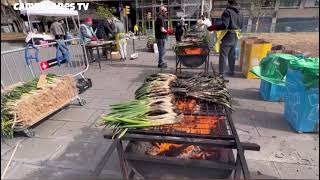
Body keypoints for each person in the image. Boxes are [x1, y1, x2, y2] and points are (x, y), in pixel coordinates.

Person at [207, 0, 243, 77]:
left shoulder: (227, 11)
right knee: (232, 54)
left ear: (228, 3)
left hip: (228, 36)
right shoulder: (240, 12)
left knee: (223, 55)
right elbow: (241, 25)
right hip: (236, 35)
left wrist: (213, 27)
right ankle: (231, 71)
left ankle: (221, 73)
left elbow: (225, 25)